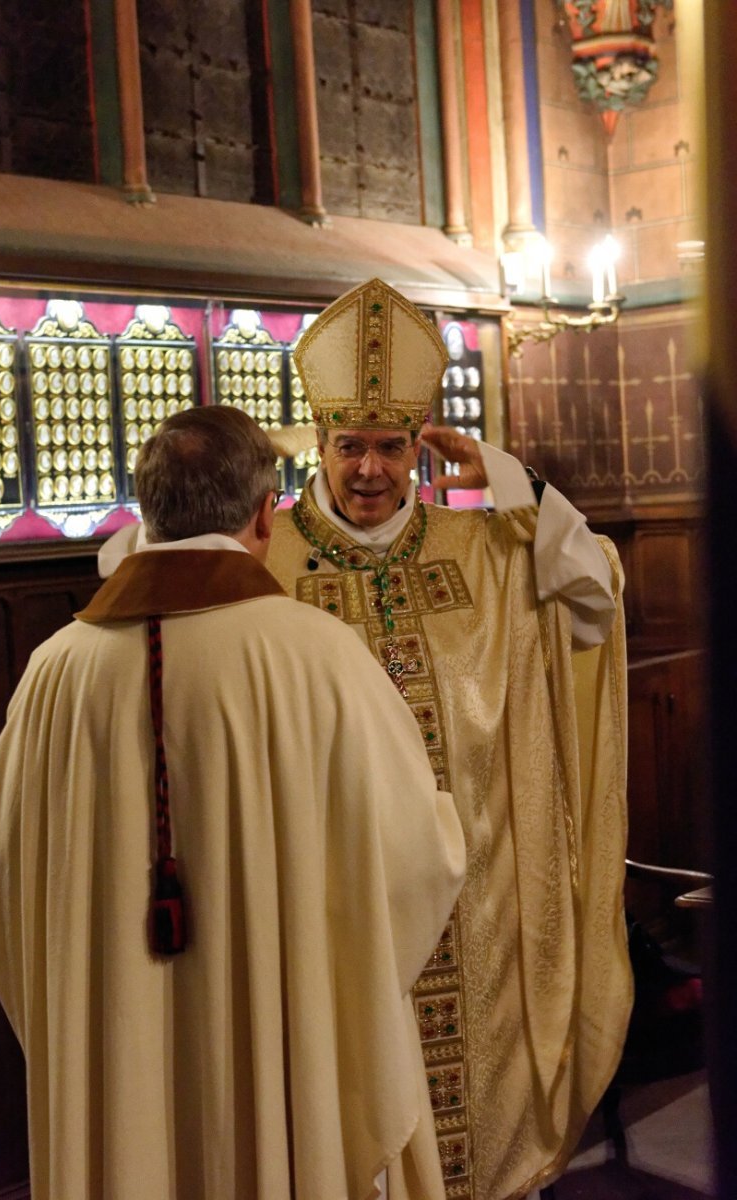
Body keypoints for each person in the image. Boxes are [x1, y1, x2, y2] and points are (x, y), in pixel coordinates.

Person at [0, 405, 467, 1200]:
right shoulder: (319, 657)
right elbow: (415, 857)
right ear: (266, 513)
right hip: (283, 1055)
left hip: (116, 1053)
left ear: (146, 513)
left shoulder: (55, 671)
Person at [264, 278, 632, 1200]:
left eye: (391, 447)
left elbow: (593, 598)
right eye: (350, 446)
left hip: (480, 912)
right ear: (320, 442)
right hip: (329, 906)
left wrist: (507, 477)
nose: (371, 471)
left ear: (419, 446)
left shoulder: (483, 552)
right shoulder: (259, 561)